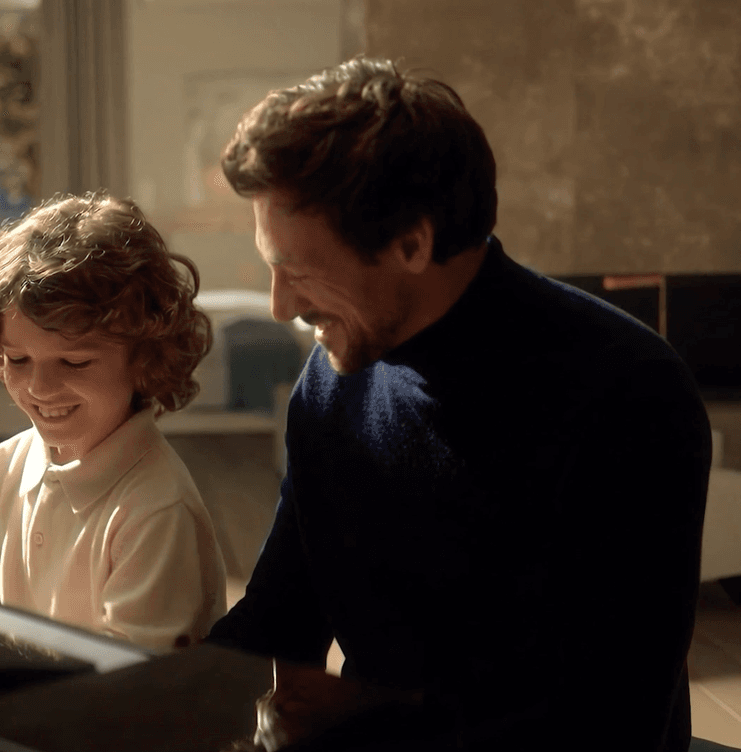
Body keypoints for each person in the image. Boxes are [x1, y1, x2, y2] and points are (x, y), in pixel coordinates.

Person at [206, 56, 713, 750]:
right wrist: (122, 701)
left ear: (412, 243)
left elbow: (611, 711)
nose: (281, 305)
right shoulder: (331, 384)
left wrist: (356, 722)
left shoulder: (623, 390)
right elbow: (280, 613)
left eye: (298, 272)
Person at [0, 191, 228, 652]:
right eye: (18, 359)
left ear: (144, 357)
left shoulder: (156, 510)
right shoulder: (3, 469)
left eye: (74, 362)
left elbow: (132, 686)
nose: (40, 388)